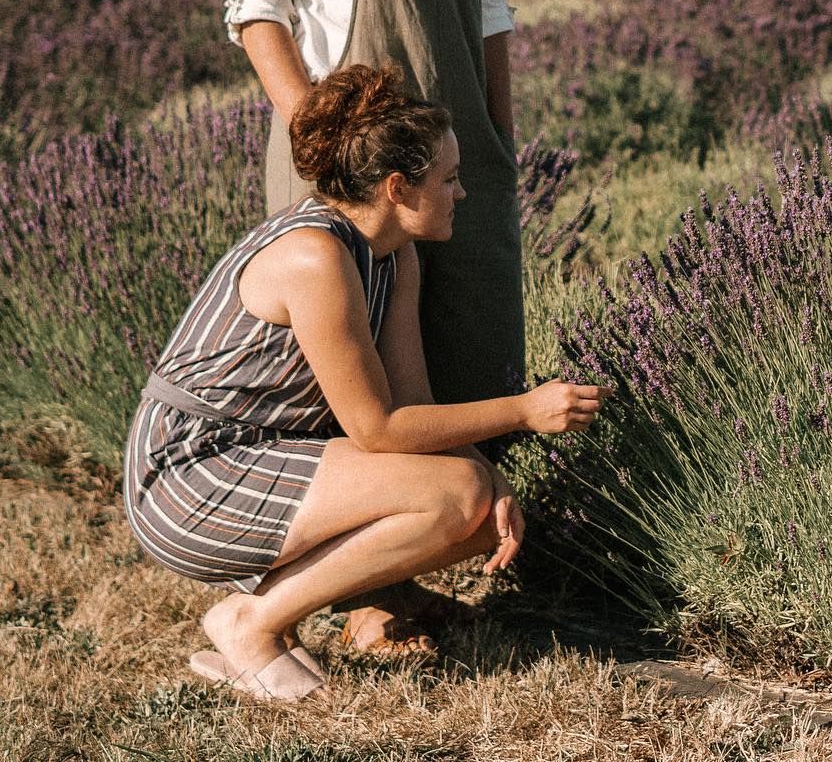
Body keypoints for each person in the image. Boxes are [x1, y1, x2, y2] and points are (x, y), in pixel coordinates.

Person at [223, 0, 543, 651]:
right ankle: (358, 597)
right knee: (343, 381)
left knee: (460, 341)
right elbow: (258, 12)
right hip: (348, 164)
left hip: (456, 160)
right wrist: (321, 141)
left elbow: (485, 9)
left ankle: (412, 573)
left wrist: (496, 140)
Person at [124, 65, 609, 701]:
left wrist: (495, 481)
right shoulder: (316, 256)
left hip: (261, 454)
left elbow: (411, 408)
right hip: (188, 475)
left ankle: (263, 616)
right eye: (449, 179)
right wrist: (522, 411)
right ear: (398, 189)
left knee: (478, 510)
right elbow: (378, 430)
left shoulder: (391, 254)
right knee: (459, 494)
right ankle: (252, 623)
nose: (461, 194)